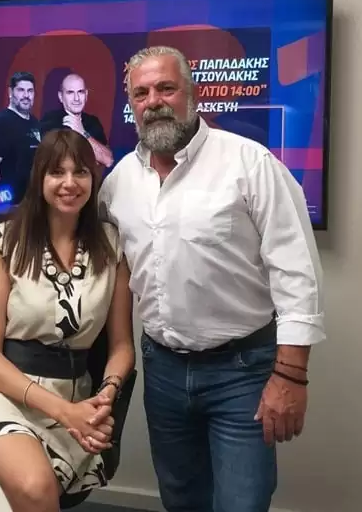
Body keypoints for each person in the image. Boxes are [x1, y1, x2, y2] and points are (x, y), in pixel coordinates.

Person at [98, 46, 325, 512]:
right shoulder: (120, 180)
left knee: (242, 502)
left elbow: (297, 272)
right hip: (162, 368)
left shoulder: (249, 163)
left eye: (166, 88)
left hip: (242, 372)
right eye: (141, 93)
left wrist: (291, 375)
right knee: (180, 498)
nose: (154, 101)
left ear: (192, 93)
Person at [0, 129, 135, 512]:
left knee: (20, 495)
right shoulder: (5, 242)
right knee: (34, 486)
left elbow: (122, 346)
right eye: (56, 172)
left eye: (80, 172)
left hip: (74, 397)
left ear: (93, 179)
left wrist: (105, 396)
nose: (69, 183)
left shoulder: (112, 246)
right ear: (39, 178)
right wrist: (65, 413)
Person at [0, 71, 42, 204]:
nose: (26, 95)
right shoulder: (0, 122)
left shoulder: (35, 122)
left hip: (31, 202)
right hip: (9, 203)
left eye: (30, 91)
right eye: (21, 90)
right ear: (10, 92)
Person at [40, 73, 113, 168]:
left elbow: (108, 160)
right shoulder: (50, 121)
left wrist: (82, 131)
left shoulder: (92, 122)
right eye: (70, 92)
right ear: (61, 97)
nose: (76, 98)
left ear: (86, 95)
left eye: (80, 92)